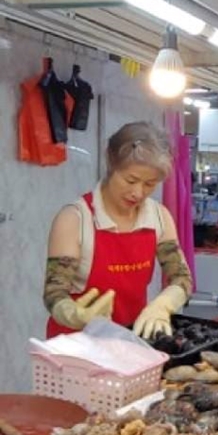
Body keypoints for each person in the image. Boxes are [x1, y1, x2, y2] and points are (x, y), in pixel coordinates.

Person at [44, 122, 193, 339]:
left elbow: (182, 278)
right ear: (111, 163)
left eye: (150, 184)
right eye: (130, 180)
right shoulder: (75, 218)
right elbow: (54, 293)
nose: (138, 192)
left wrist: (163, 304)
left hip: (129, 340)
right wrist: (74, 315)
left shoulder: (159, 217)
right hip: (75, 347)